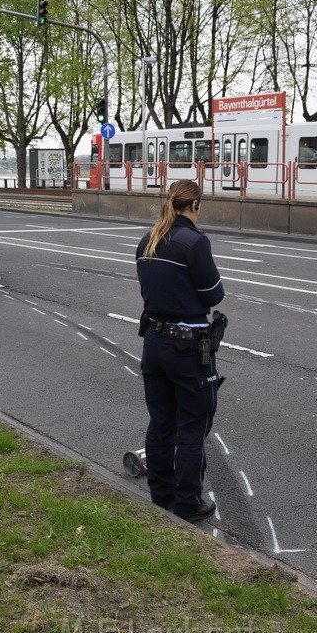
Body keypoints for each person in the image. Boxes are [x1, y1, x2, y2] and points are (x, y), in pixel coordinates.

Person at [135, 179, 225, 522]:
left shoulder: (148, 239)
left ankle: (162, 496)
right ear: (195, 205)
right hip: (187, 347)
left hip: (154, 342)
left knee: (161, 422)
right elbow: (213, 294)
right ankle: (189, 503)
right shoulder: (193, 241)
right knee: (192, 425)